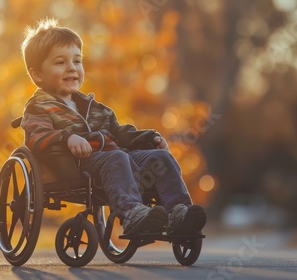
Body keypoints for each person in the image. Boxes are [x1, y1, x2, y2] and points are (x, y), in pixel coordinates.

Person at [19, 18, 206, 235]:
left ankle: (178, 213)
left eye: (77, 61)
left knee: (161, 158)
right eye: (60, 62)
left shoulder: (95, 108)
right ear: (38, 74)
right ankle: (131, 214)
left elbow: (119, 133)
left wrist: (148, 138)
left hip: (118, 159)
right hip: (75, 165)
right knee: (117, 158)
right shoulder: (38, 106)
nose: (72, 68)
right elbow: (36, 136)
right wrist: (67, 138)